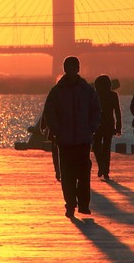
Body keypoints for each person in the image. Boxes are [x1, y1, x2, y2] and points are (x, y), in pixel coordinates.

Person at [42, 56, 100, 218]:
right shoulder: (57, 91)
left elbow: (96, 110)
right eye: (70, 67)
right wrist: (56, 129)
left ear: (78, 68)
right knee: (67, 175)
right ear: (65, 69)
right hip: (65, 139)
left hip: (83, 138)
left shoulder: (87, 90)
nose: (73, 70)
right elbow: (49, 111)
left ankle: (83, 205)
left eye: (75, 67)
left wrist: (92, 128)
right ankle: (70, 204)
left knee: (83, 173)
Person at [92, 74, 121, 180]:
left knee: (97, 146)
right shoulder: (113, 95)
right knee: (105, 148)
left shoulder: (95, 95)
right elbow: (117, 112)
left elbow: (90, 111)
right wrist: (118, 126)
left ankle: (102, 167)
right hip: (107, 124)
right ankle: (104, 169)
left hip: (98, 124)